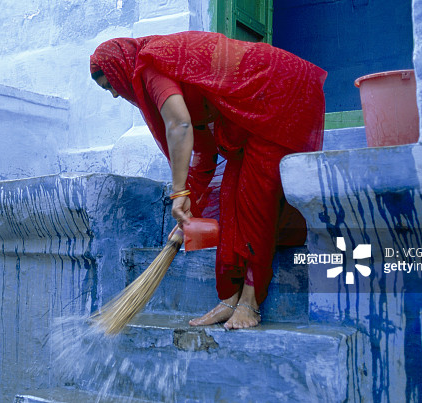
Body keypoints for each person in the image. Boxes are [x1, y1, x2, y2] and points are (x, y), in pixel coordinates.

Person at [90, 31, 326, 329]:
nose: (113, 93)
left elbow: (179, 124)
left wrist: (178, 194)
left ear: (120, 69)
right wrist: (190, 200)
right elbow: (202, 150)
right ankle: (230, 300)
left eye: (110, 84)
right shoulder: (154, 64)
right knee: (229, 197)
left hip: (280, 92)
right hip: (250, 112)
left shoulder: (150, 63)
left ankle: (250, 305)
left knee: (255, 199)